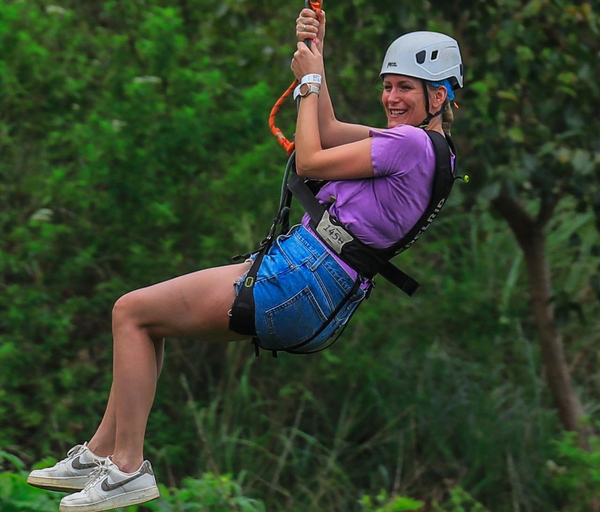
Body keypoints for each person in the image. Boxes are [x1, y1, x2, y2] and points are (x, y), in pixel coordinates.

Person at [26, 7, 463, 512]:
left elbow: (310, 158)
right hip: (318, 285)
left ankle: (126, 467)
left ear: (440, 94)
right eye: (388, 86)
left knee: (130, 312)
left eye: (406, 87)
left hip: (302, 276)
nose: (391, 98)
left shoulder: (408, 143)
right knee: (147, 319)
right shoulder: (430, 150)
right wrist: (316, 56)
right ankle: (101, 452)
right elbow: (327, 125)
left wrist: (311, 81)